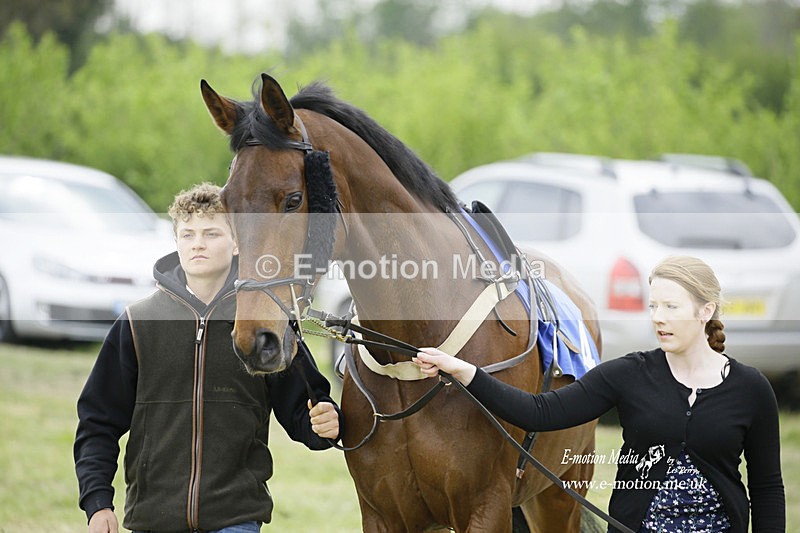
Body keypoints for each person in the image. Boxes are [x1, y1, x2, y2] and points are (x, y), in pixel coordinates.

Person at [414, 255, 784, 533]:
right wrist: (466, 371)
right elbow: (538, 413)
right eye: (653, 306)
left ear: (705, 311)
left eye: (671, 307)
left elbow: (767, 488)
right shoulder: (629, 374)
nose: (658, 317)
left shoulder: (751, 389)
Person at [74, 183, 341, 533]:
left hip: (235, 518)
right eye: (187, 234)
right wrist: (97, 503)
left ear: (236, 244)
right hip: (152, 519)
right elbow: (98, 423)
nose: (197, 243)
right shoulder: (137, 323)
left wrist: (323, 424)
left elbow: (306, 412)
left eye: (211, 233)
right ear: (177, 242)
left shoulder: (266, 322)